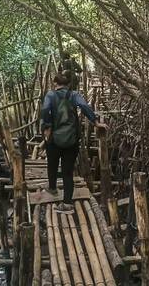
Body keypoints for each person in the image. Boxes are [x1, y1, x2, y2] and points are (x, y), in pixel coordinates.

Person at [41, 73, 107, 214]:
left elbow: (46, 109)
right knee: (68, 172)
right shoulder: (74, 94)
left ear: (55, 83)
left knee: (52, 163)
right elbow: (84, 106)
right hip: (71, 139)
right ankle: (67, 204)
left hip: (54, 138)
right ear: (68, 84)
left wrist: (47, 127)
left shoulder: (50, 95)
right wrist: (95, 122)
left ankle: (52, 188)